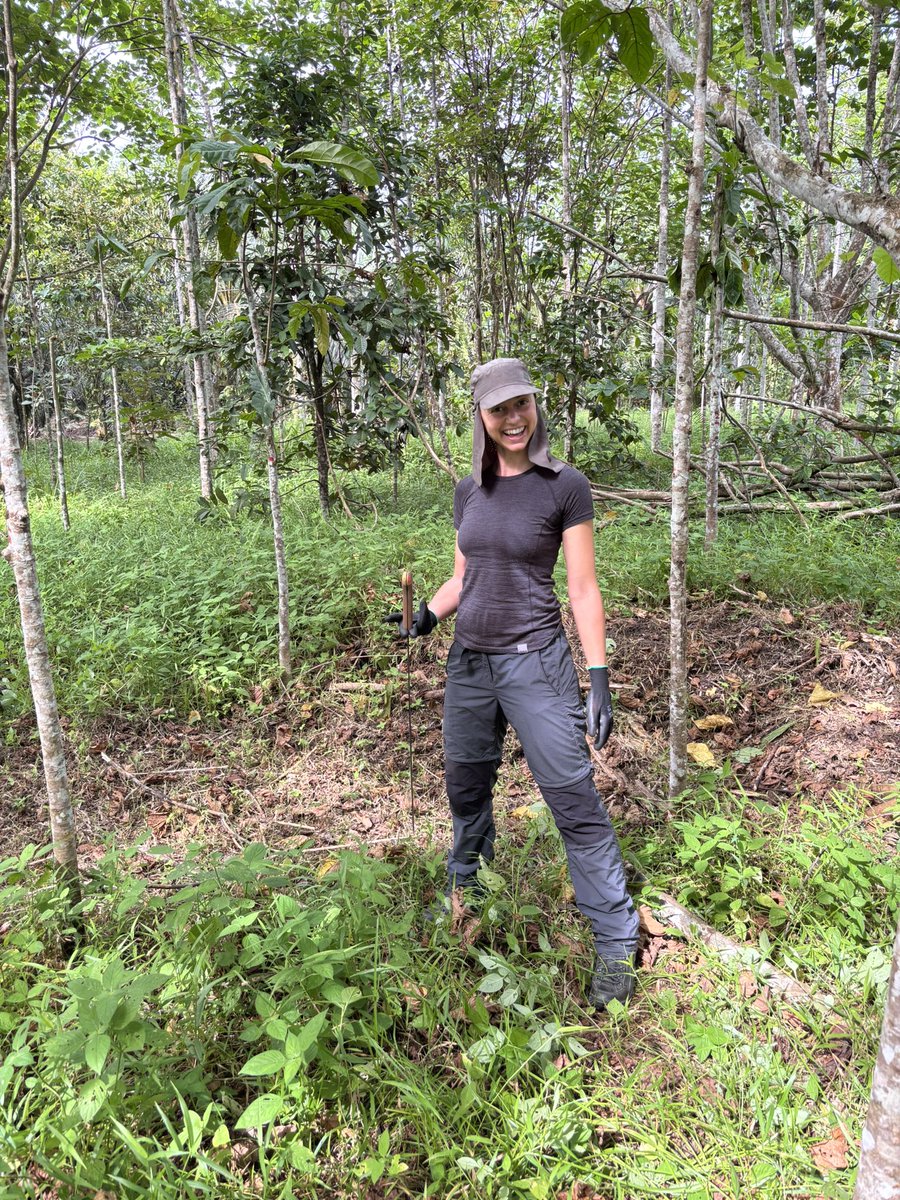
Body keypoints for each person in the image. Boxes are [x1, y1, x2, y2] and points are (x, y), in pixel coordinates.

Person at [389, 357, 639, 1010]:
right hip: (470, 665)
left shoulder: (564, 486)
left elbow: (582, 588)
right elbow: (462, 577)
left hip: (536, 664)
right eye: (499, 409)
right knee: (466, 788)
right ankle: (468, 894)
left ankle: (617, 937)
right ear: (481, 416)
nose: (513, 419)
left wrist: (598, 676)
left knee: (571, 797)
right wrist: (427, 615)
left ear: (534, 405)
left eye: (521, 404)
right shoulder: (469, 491)